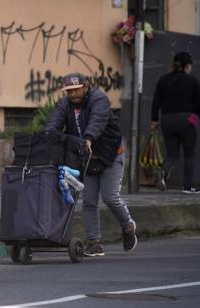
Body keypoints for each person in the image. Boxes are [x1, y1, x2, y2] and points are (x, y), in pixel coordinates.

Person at [45, 72, 137, 257]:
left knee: (110, 197)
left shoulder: (99, 99)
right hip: (86, 158)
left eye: (76, 90)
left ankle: (128, 226)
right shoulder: (65, 104)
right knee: (88, 201)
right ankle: (95, 243)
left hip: (110, 154)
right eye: (69, 91)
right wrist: (46, 136)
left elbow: (98, 119)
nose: (73, 95)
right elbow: (54, 122)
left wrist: (88, 138)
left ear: (86, 86)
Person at [150, 51, 200, 194]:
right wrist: (194, 118)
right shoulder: (192, 81)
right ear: (187, 66)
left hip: (167, 120)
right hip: (187, 119)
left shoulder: (163, 79)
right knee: (189, 154)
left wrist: (154, 120)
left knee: (173, 154)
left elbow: (156, 102)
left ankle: (163, 172)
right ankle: (188, 186)